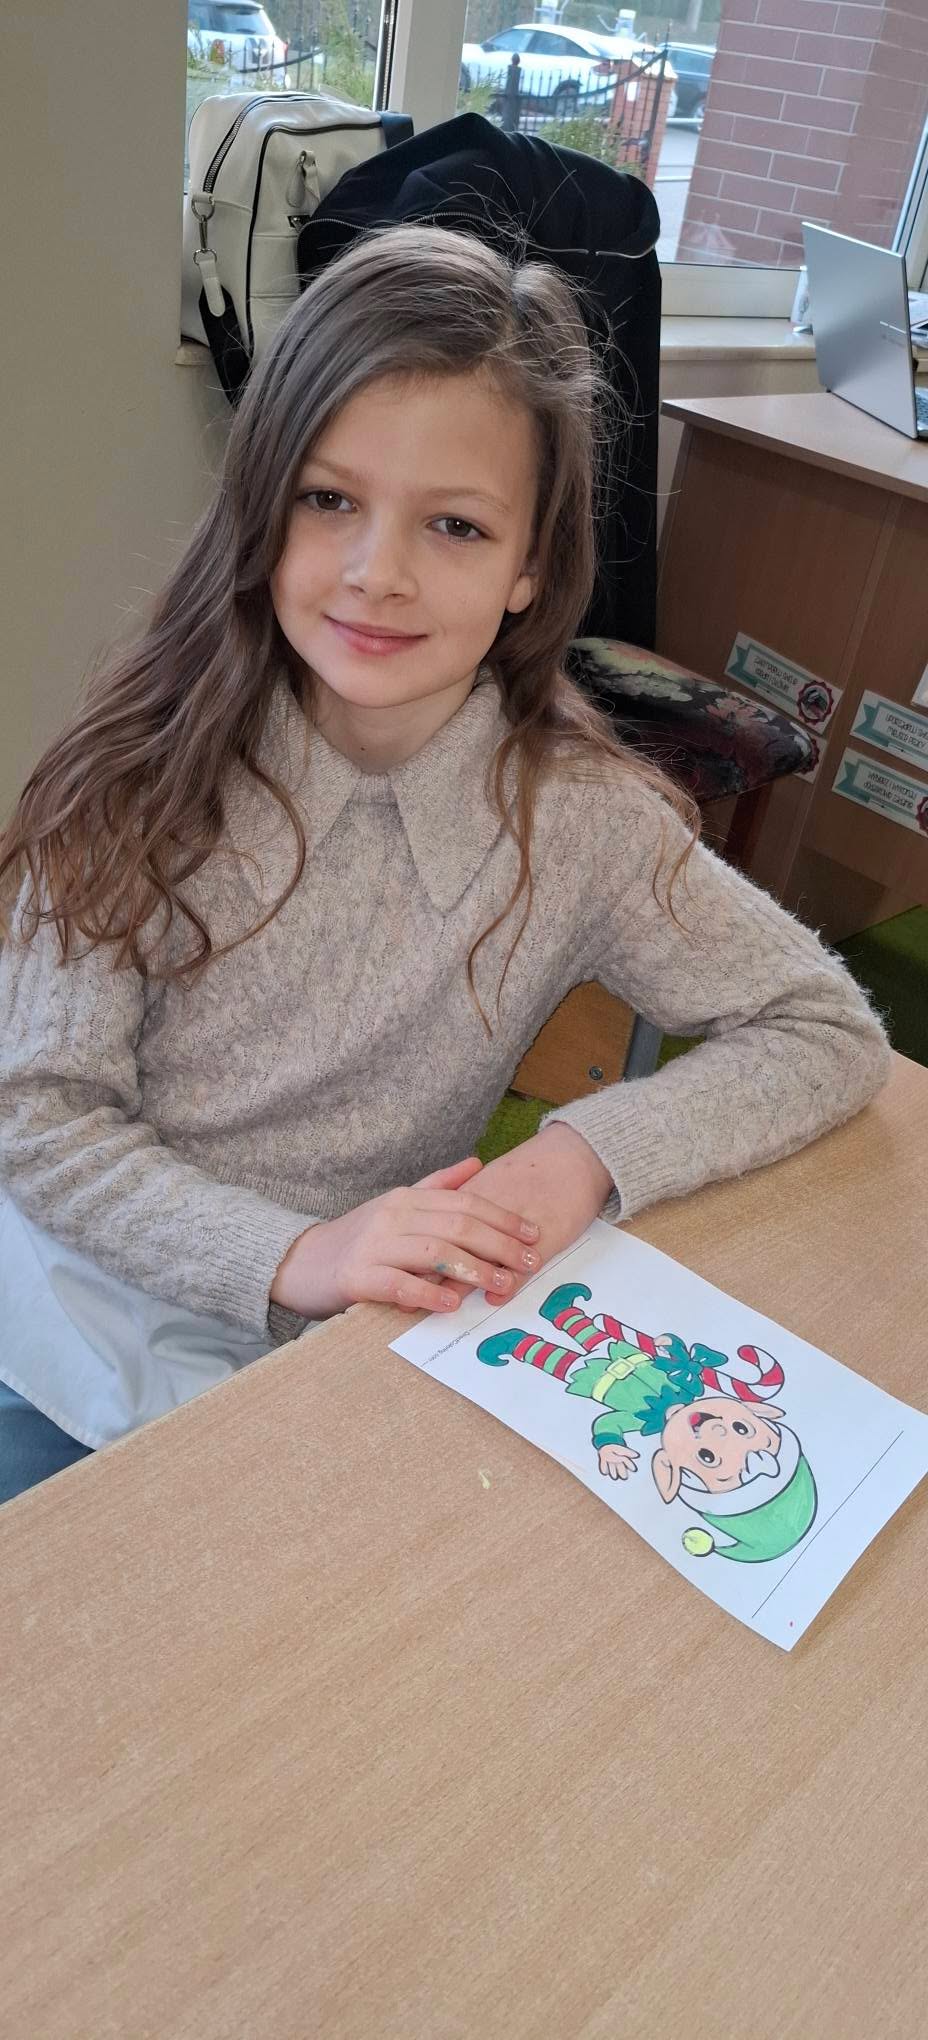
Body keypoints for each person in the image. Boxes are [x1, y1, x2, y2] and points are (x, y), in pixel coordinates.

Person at [0, 225, 890, 1507]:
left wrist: (574, 1158)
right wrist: (298, 1253)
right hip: (74, 1317)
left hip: (351, 1339)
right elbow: (38, 1119)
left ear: (530, 568)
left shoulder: (578, 821)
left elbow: (821, 1030)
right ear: (261, 504)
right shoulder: (136, 772)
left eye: (457, 526)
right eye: (329, 500)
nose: (380, 574)